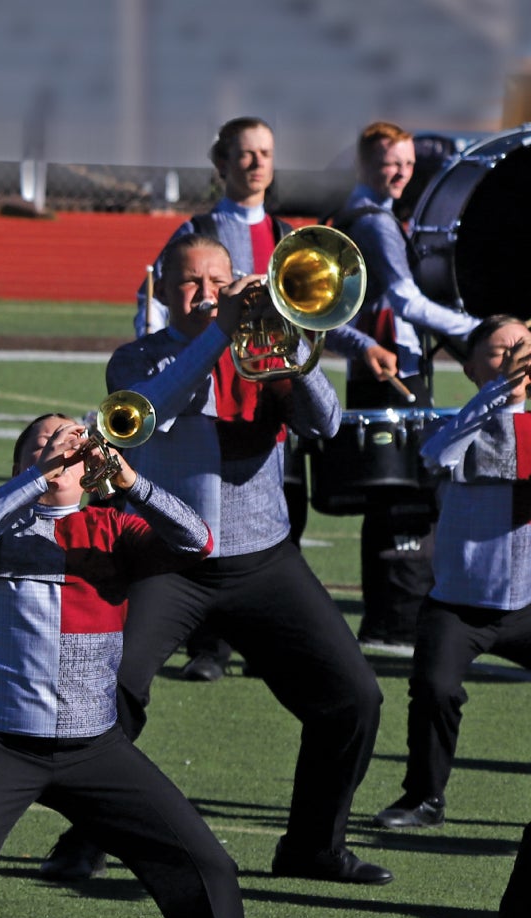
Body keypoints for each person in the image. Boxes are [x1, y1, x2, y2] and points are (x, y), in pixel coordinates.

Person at [40, 234, 390, 886]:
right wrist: (217, 334)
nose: (205, 294)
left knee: (353, 698)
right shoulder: (137, 358)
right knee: (113, 693)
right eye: (189, 283)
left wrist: (293, 348)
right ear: (163, 291)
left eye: (217, 282)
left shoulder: (269, 347)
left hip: (263, 558)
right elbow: (153, 412)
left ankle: (313, 845)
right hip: (167, 557)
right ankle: (88, 832)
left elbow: (325, 424)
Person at [0, 414, 242, 918]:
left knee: (208, 869)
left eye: (72, 447)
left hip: (93, 748)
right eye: (44, 446)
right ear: (20, 465)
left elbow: (197, 541)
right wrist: (38, 478)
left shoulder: (113, 528)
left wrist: (132, 485)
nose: (60, 454)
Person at [127, 117, 308, 682]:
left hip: (264, 381)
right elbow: (156, 296)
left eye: (265, 153)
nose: (257, 163)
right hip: (204, 382)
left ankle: (262, 635)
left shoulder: (288, 233)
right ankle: (208, 645)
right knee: (199, 511)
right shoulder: (196, 226)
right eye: (245, 154)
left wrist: (359, 344)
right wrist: (161, 356)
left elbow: (314, 311)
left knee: (276, 502)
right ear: (222, 165)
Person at [324, 121, 484, 653]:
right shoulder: (373, 222)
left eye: (410, 165)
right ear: (364, 163)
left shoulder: (364, 216)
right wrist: (480, 329)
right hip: (393, 371)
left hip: (383, 366)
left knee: (390, 491)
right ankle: (395, 618)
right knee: (399, 493)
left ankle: (390, 613)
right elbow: (406, 301)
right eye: (391, 163)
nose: (402, 173)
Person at [373, 316, 531, 830]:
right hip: (461, 603)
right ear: (468, 366)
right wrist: (498, 395)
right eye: (497, 351)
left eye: (521, 350)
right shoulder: (460, 422)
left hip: (527, 601)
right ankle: (424, 798)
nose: (511, 359)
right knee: (435, 690)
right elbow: (437, 453)